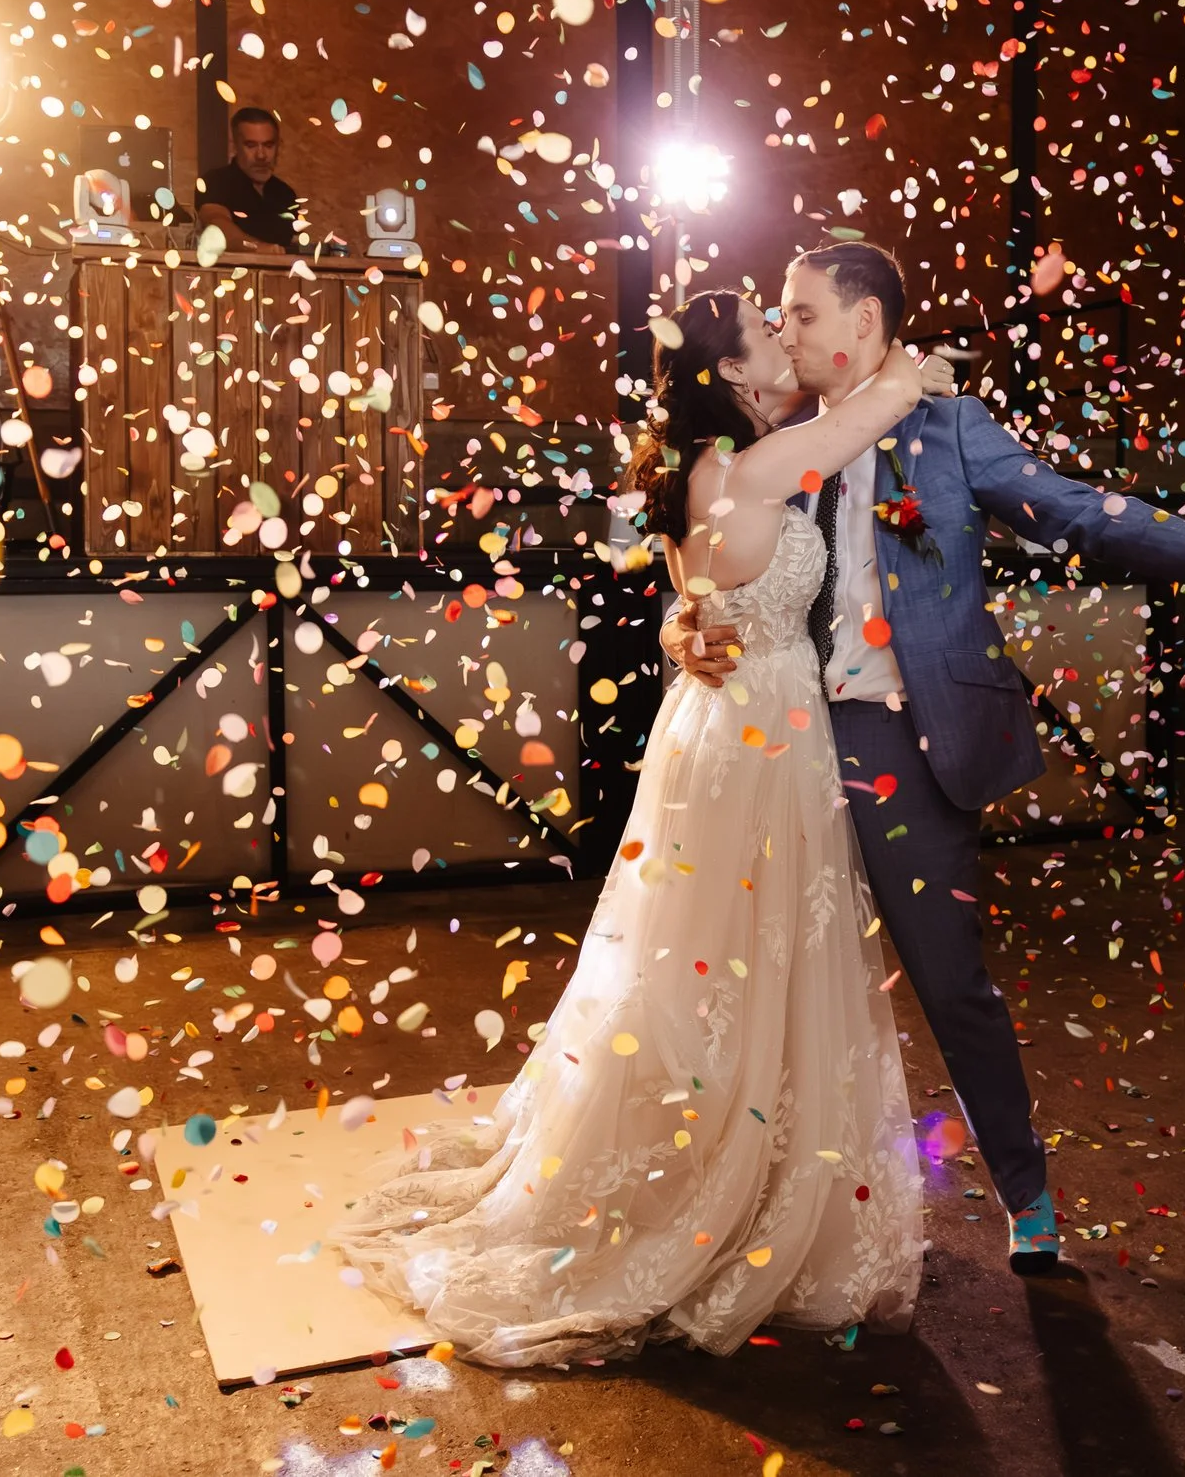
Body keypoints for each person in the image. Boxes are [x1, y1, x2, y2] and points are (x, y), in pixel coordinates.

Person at [662, 240, 1185, 1277]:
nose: (784, 328)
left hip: (898, 740)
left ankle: (1026, 1192)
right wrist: (680, 625)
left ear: (864, 325)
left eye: (800, 311)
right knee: (767, 978)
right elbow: (713, 563)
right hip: (774, 746)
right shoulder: (768, 436)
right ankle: (751, 1197)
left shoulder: (947, 425)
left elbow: (1072, 509)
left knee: (947, 978)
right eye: (776, 317)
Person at [335, 290, 956, 1367]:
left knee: (723, 960)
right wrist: (912, 365)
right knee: (720, 963)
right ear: (727, 370)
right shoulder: (752, 466)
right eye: (767, 333)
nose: (782, 341)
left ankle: (753, 1152)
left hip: (733, 725)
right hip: (755, 736)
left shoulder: (723, 466)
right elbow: (870, 410)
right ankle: (711, 1178)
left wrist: (687, 621)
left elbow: (706, 588)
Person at [193, 107, 304, 252]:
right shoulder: (215, 182)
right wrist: (258, 248)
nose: (261, 155)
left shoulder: (286, 194)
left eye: (268, 145)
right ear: (235, 147)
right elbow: (218, 225)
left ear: (279, 146)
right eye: (251, 145)